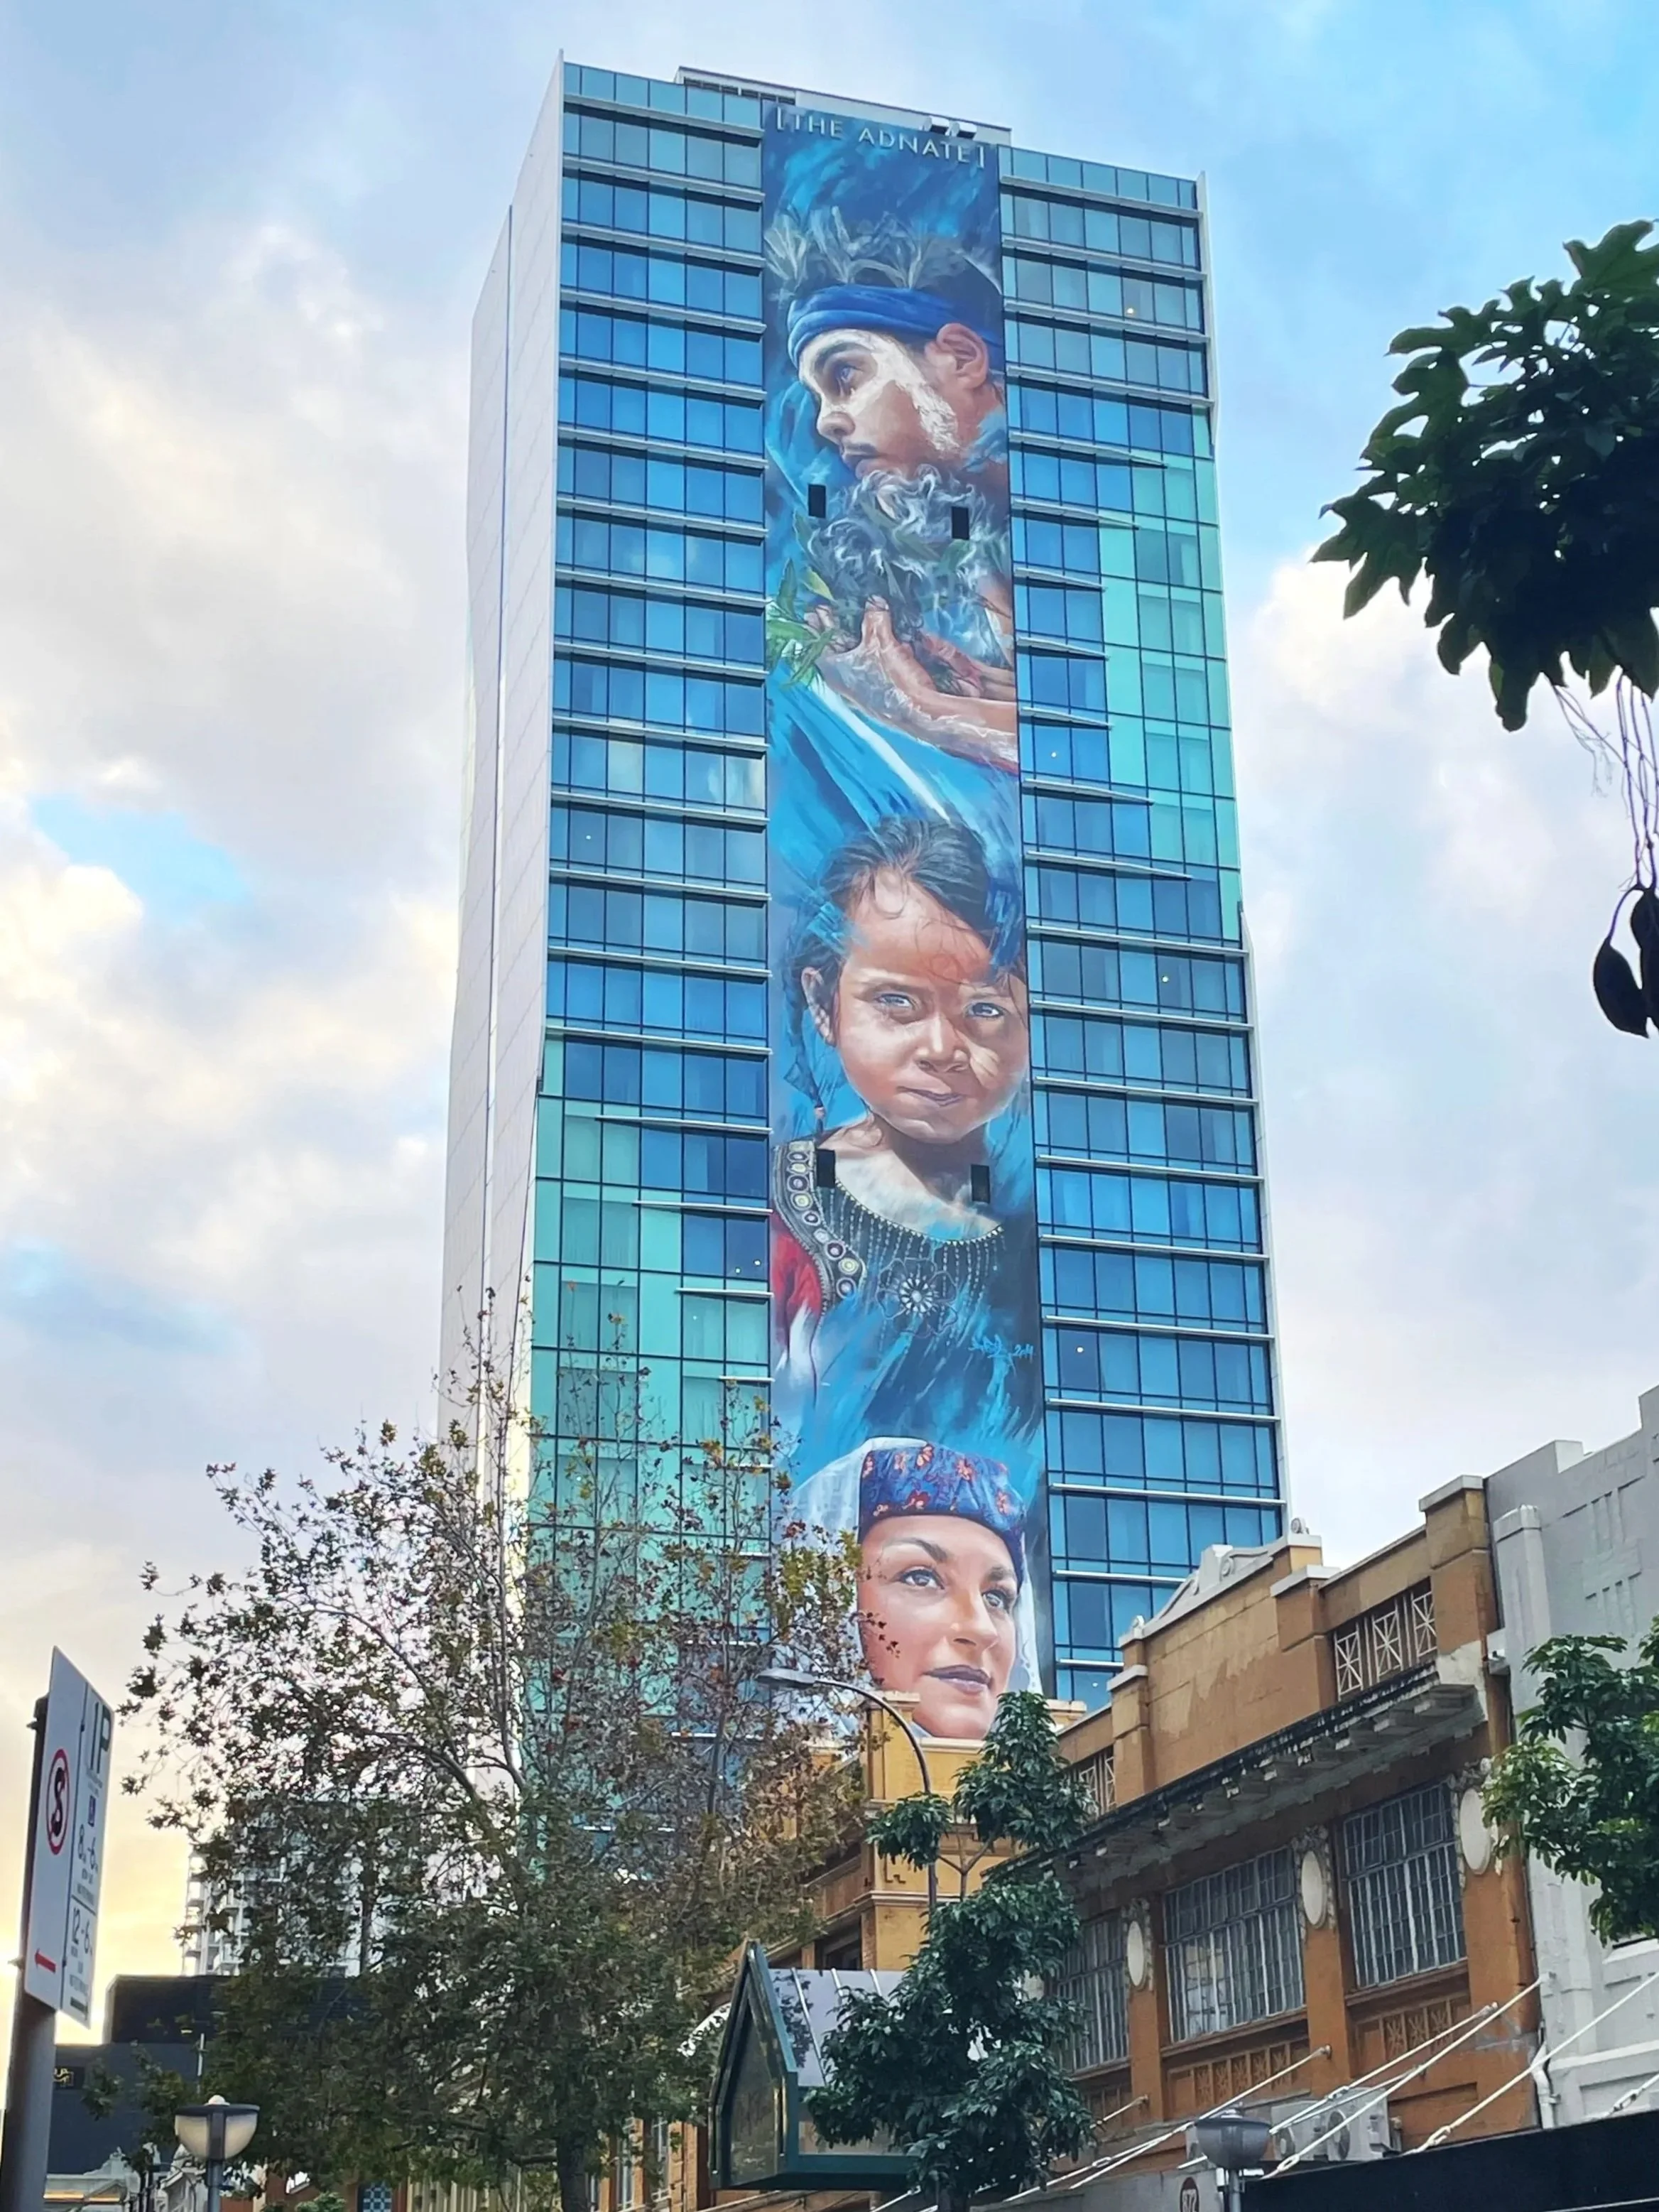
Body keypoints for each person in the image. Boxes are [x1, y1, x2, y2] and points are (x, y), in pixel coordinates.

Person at [773, 815, 1028, 1353]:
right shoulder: (778, 1206)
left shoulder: (1040, 1229)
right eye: (897, 1002)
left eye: (984, 1010)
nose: (941, 1050)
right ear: (824, 1004)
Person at [771, 240, 1018, 768]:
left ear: (962, 357)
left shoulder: (1105, 520)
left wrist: (919, 710)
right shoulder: (974, 539)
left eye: (845, 376)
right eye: (818, 400)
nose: (826, 423)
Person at [790, 1436, 1034, 1741]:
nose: (983, 1631)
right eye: (921, 1578)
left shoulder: (1057, 1784)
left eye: (997, 1597)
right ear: (832, 1606)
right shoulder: (789, 1780)